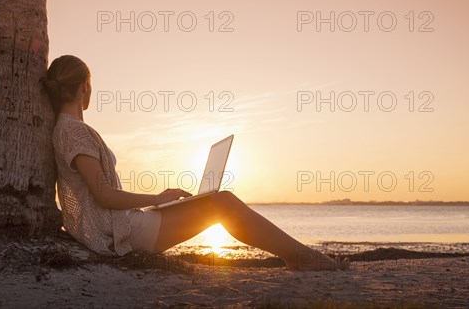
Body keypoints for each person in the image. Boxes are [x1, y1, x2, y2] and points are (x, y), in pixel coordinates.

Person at [41, 55, 349, 271]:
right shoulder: (73, 131)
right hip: (121, 234)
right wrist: (156, 198)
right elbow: (103, 195)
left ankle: (299, 255)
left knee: (217, 201)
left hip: (123, 224)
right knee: (223, 203)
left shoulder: (67, 130)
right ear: (85, 87)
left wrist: (155, 204)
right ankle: (300, 257)